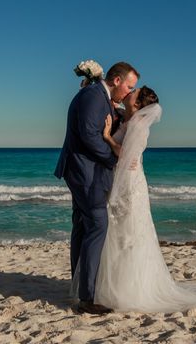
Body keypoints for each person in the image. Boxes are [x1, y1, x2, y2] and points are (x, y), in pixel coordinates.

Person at [92, 86, 196, 312]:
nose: (130, 91)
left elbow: (125, 154)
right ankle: (115, 285)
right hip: (125, 179)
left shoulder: (137, 126)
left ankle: (129, 290)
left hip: (129, 185)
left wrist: (106, 137)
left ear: (138, 104)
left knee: (129, 234)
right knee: (123, 234)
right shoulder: (128, 119)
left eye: (134, 92)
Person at [54, 62, 139, 314]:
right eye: (128, 86)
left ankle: (80, 287)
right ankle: (88, 298)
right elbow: (90, 135)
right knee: (98, 225)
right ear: (115, 81)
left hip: (85, 171)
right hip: (84, 173)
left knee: (82, 227)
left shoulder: (101, 97)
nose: (128, 93)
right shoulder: (92, 96)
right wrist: (117, 159)